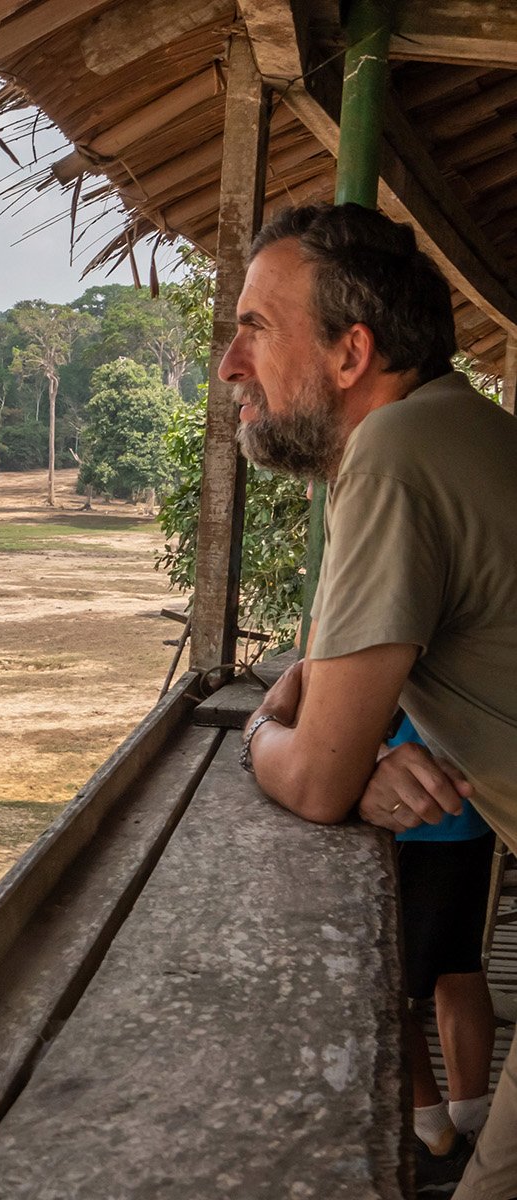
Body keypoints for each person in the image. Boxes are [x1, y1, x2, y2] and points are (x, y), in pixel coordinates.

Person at [225, 202, 517, 1190]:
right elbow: (334, 689)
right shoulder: (459, 433)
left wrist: (266, 728)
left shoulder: (398, 452)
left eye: (256, 329)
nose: (230, 366)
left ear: (351, 354)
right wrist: (360, 766)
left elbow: (310, 775)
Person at [388, 718, 500, 1154]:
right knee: (459, 966)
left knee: (388, 994)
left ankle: (433, 1130)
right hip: (470, 806)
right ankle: (469, 1123)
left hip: (412, 813)